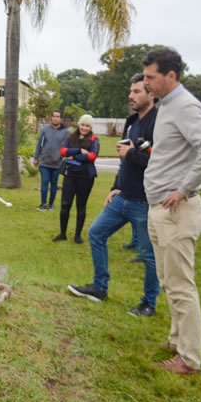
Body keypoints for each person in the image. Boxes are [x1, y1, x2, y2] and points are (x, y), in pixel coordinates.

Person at [142, 47, 201, 375]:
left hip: (177, 210)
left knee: (180, 285)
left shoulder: (186, 106)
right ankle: (177, 340)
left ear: (170, 75)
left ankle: (189, 359)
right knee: (168, 281)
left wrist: (184, 188)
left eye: (151, 77)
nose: (146, 83)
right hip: (159, 209)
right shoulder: (167, 106)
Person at [68, 74, 160, 317]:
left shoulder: (159, 123)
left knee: (148, 254)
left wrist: (131, 154)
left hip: (144, 202)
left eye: (137, 91)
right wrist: (115, 187)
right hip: (123, 198)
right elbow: (125, 160)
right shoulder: (132, 122)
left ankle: (149, 303)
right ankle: (99, 288)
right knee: (96, 233)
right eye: (131, 91)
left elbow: (160, 162)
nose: (131, 95)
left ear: (151, 94)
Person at [52, 114, 99, 244]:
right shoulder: (71, 136)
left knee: (81, 205)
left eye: (87, 126)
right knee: (65, 204)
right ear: (79, 125)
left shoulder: (94, 139)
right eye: (82, 125)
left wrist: (73, 156)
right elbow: (63, 151)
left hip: (85, 177)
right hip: (70, 175)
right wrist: (79, 150)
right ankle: (62, 234)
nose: (84, 128)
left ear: (90, 127)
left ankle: (78, 235)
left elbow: (92, 156)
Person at [32, 109, 68, 211]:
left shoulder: (66, 132)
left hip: (57, 163)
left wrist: (65, 158)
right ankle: (43, 204)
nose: (55, 118)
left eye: (57, 117)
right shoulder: (45, 130)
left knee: (54, 184)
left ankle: (51, 204)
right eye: (54, 116)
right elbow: (39, 144)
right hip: (44, 162)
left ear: (61, 118)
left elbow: (68, 147)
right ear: (51, 117)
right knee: (44, 182)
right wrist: (36, 157)